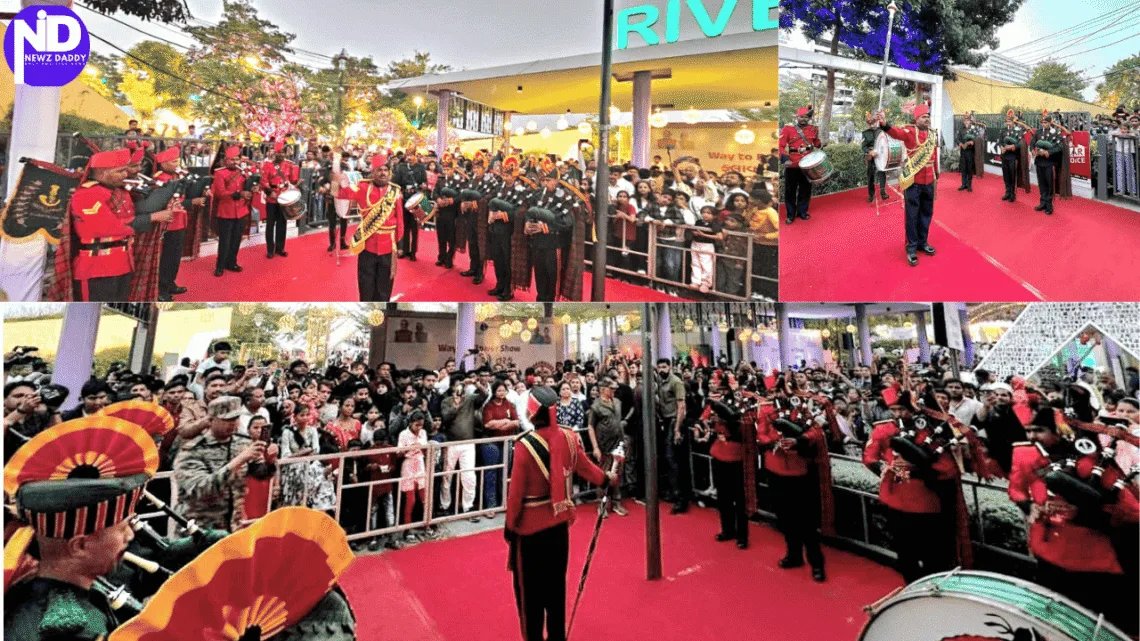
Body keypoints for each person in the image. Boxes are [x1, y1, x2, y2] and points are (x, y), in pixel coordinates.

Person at [3, 415, 153, 640]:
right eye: (122, 529)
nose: (130, 536)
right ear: (80, 545)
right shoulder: (71, 629)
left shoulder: (47, 592)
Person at [1008, 407, 1139, 635]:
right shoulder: (1025, 454)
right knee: (1053, 618)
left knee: (1097, 624)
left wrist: (1092, 511)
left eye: (1039, 430)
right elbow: (1016, 489)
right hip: (1047, 548)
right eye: (1029, 430)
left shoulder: (1098, 464)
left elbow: (1133, 512)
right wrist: (1029, 506)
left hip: (1091, 557)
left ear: (1061, 432)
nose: (1032, 437)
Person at [504, 386, 618, 641]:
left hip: (529, 529)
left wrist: (509, 527)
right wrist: (606, 479)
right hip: (558, 526)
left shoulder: (524, 446)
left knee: (530, 594)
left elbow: (515, 495)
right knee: (556, 589)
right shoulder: (568, 437)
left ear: (532, 412)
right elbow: (587, 468)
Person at [863, 391, 967, 583]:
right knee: (904, 551)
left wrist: (918, 468)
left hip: (926, 501)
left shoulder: (929, 430)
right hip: (895, 498)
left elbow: (948, 468)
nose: (898, 414)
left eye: (902, 409)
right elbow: (869, 456)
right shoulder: (883, 430)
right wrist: (884, 468)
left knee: (932, 553)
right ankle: (911, 583)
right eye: (893, 410)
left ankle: (932, 586)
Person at [59, 148, 174, 301]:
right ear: (102, 173)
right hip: (97, 266)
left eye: (125, 170)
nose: (125, 175)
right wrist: (153, 217)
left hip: (124, 262)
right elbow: (109, 228)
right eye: (120, 171)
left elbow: (133, 213)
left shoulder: (120, 192)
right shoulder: (86, 194)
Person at [755, 391, 834, 580]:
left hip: (800, 471)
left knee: (806, 521)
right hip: (776, 469)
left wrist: (799, 441)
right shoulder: (766, 409)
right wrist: (775, 442)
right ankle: (794, 554)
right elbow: (761, 433)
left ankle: (816, 562)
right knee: (784, 517)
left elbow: (816, 431)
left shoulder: (803, 407)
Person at [173, 396, 268, 531]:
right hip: (199, 528)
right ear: (211, 420)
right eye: (227, 420)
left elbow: (260, 474)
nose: (233, 424)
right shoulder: (193, 450)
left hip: (233, 525)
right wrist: (238, 461)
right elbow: (199, 489)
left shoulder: (242, 443)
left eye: (235, 419)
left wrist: (269, 461)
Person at [336, 154, 404, 301]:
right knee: (366, 287)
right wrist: (337, 180)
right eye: (379, 170)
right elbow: (341, 194)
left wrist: (400, 244)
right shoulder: (362, 187)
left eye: (385, 170)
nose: (383, 173)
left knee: (384, 289)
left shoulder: (395, 191)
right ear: (372, 172)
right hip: (367, 245)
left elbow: (400, 219)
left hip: (388, 246)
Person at [879, 105, 939, 267]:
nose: (927, 119)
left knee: (927, 212)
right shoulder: (910, 131)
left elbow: (935, 156)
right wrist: (885, 124)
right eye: (923, 117)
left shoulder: (933, 134)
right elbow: (896, 133)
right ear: (916, 119)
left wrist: (937, 175)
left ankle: (922, 242)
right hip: (913, 181)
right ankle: (911, 247)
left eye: (928, 116)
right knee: (912, 215)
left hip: (929, 181)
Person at [524, 161, 575, 302]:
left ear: (557, 180)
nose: (546, 183)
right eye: (544, 180)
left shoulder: (565, 196)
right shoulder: (538, 193)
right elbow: (529, 210)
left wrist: (546, 227)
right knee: (539, 273)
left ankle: (551, 302)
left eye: (549, 180)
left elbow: (567, 222)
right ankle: (540, 299)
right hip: (537, 241)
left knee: (553, 275)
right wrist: (527, 222)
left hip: (554, 243)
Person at [151, 145, 190, 301]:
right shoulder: (160, 178)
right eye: (174, 161)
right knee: (166, 258)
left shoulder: (175, 175)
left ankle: (170, 283)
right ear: (164, 163)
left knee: (175, 256)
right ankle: (161, 289)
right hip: (168, 224)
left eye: (177, 161)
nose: (177, 164)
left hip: (179, 221)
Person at [587, 377, 629, 516]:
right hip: (603, 444)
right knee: (603, 474)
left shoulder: (617, 402)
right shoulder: (596, 406)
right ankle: (602, 504)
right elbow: (590, 427)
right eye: (612, 389)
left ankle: (617, 502)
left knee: (618, 473)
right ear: (603, 389)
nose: (614, 391)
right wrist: (595, 447)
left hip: (619, 443)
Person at [655, 358, 690, 514]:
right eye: (659, 367)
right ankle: (673, 492)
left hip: (675, 421)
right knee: (668, 459)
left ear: (669, 367)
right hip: (666, 420)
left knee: (673, 459)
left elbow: (681, 406)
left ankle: (681, 498)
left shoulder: (676, 382)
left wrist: (677, 429)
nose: (662, 369)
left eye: (664, 366)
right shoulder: (661, 382)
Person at [211, 145, 252, 278]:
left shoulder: (243, 172)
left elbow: (249, 187)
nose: (235, 162)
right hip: (226, 211)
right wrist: (239, 193)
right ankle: (220, 265)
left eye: (237, 159)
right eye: (231, 159)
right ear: (225, 161)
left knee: (236, 239)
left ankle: (232, 262)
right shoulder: (219, 173)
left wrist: (253, 188)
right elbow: (220, 193)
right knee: (225, 240)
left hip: (241, 211)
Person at [779, 106, 824, 225]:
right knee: (790, 190)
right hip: (792, 164)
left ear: (808, 118)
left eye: (806, 117)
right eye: (801, 117)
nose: (804, 119)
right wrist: (785, 158)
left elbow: (816, 143)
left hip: (808, 165)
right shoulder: (788, 129)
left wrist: (821, 143)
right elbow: (780, 146)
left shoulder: (813, 129)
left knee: (805, 189)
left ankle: (802, 212)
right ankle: (790, 215)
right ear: (797, 117)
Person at [260, 140, 299, 258]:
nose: (280, 155)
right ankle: (270, 250)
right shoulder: (267, 165)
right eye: (278, 152)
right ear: (274, 153)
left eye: (282, 152)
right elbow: (263, 181)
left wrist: (295, 173)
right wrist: (269, 192)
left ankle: (280, 248)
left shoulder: (289, 164)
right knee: (270, 224)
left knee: (282, 223)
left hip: (284, 198)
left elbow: (292, 180)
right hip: (272, 198)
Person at [1031, 111, 1066, 215]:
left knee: (1050, 184)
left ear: (1050, 123)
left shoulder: (1056, 133)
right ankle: (1042, 203)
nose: (1043, 124)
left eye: (1045, 122)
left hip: (1049, 163)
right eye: (1042, 122)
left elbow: (1060, 147)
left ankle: (1049, 205)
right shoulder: (1038, 132)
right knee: (1041, 184)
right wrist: (1032, 150)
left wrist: (1048, 152)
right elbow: (1032, 143)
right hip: (1039, 162)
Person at [998, 110, 1030, 203]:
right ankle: (1007, 192)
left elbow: (1020, 144)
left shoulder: (1018, 131)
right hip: (1004, 156)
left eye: (1010, 121)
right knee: (1006, 175)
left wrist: (1012, 147)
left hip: (1013, 156)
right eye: (1007, 121)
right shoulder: (1003, 130)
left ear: (1013, 121)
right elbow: (999, 141)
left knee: (1012, 176)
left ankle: (1012, 194)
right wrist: (1001, 147)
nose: (1008, 123)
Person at [860, 111, 888, 203]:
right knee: (870, 176)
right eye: (869, 123)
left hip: (881, 155)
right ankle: (871, 195)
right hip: (871, 156)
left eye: (873, 122)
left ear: (876, 121)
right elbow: (863, 146)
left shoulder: (881, 130)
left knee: (882, 173)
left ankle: (883, 192)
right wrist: (870, 151)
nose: (871, 125)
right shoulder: (865, 133)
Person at [955, 113, 985, 192]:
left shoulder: (974, 129)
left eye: (968, 120)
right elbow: (957, 139)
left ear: (970, 121)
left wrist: (972, 142)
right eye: (965, 120)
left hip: (970, 151)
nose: (966, 121)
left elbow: (978, 139)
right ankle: (963, 184)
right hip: (963, 151)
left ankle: (969, 185)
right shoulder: (961, 129)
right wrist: (961, 144)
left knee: (969, 169)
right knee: (963, 168)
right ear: (963, 121)